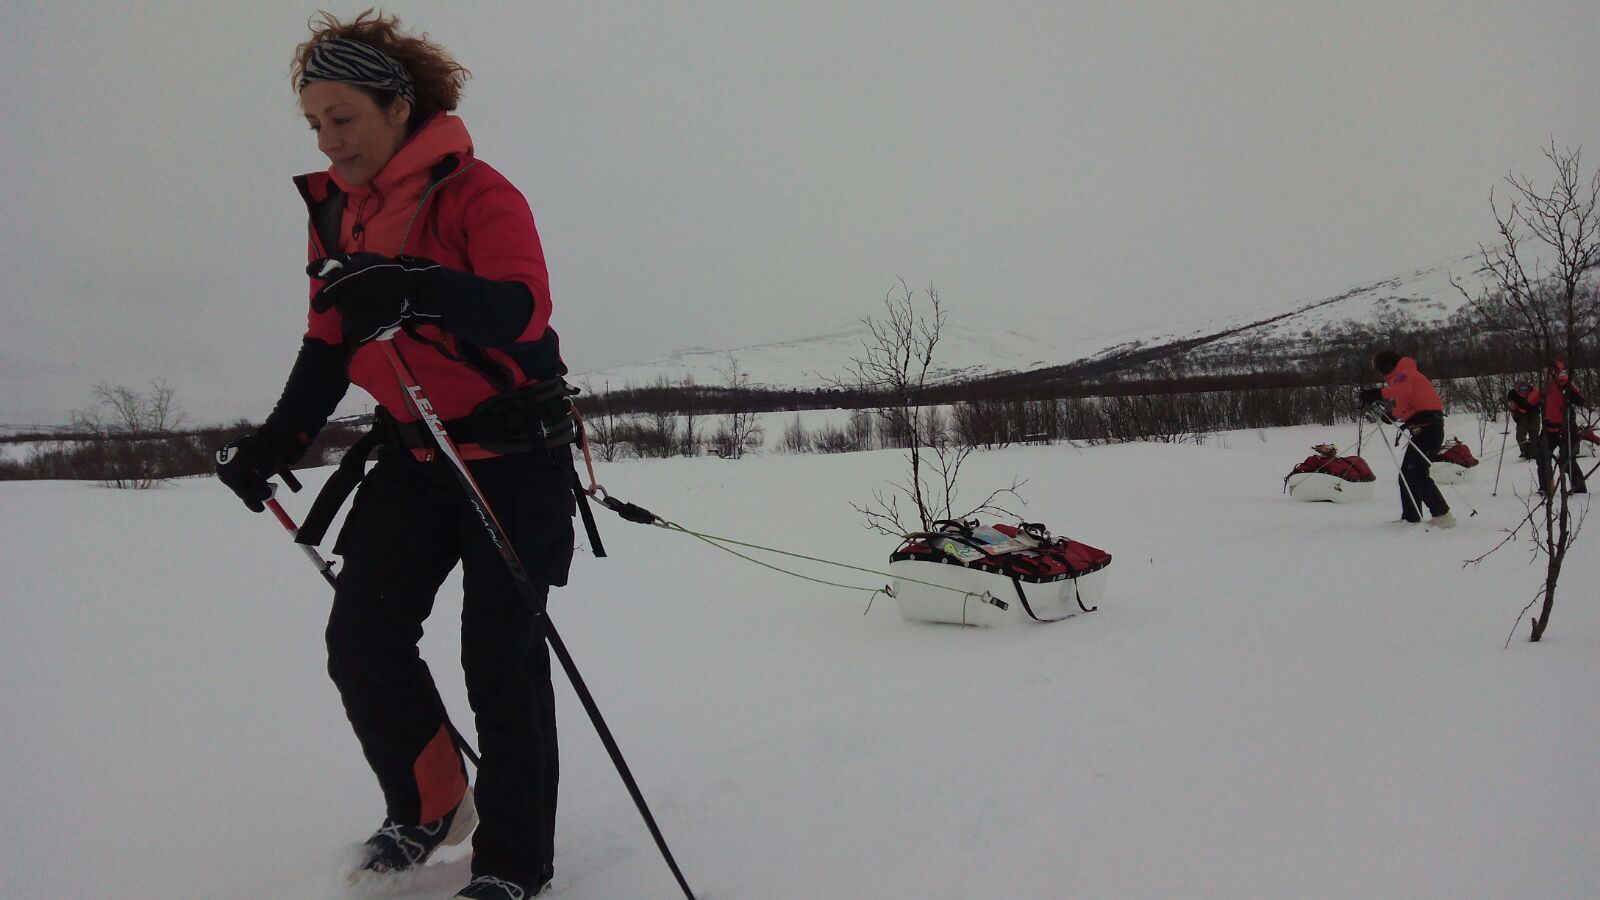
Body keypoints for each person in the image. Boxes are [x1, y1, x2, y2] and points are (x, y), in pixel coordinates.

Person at [213, 12, 572, 899]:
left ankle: (514, 865)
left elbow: (522, 311)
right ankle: (430, 801)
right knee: (363, 638)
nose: (332, 143)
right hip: (413, 460)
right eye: (316, 125)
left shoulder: (479, 194)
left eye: (346, 118)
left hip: (513, 456)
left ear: (398, 107)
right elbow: (328, 347)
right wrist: (272, 446)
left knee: (500, 660)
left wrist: (416, 288)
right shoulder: (333, 217)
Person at [1358, 351, 1454, 527]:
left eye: (1381, 369)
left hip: (1428, 429)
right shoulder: (1404, 376)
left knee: (1416, 473)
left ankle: (1443, 516)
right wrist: (1392, 415)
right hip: (1422, 429)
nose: (1382, 374)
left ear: (1388, 365)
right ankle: (1411, 518)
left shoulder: (1405, 374)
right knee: (1407, 474)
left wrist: (1377, 393)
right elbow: (1406, 403)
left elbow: (1403, 391)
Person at [1536, 360, 1588, 495]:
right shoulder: (1544, 386)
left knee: (1567, 459)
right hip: (1549, 428)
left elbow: (1580, 400)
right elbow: (1533, 403)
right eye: (1547, 370)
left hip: (1566, 428)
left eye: (1553, 370)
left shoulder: (1565, 382)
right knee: (1542, 457)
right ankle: (1546, 488)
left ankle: (1579, 490)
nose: (1549, 373)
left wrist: (1568, 392)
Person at [1504, 381, 1543, 460]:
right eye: (1523, 389)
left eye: (1526, 389)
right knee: (1520, 435)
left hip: (1534, 415)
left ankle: (1533, 453)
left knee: (1534, 434)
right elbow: (1513, 409)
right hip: (1521, 417)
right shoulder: (1514, 396)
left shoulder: (1534, 394)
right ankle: (1525, 452)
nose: (1525, 391)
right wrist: (1516, 417)